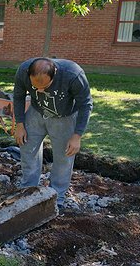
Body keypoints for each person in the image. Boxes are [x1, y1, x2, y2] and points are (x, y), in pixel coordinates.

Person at [13, 57, 93, 208]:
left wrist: (77, 135)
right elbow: (18, 96)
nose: (40, 90)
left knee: (64, 157)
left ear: (54, 73)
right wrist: (20, 124)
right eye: (35, 87)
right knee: (27, 148)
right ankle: (28, 192)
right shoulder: (23, 71)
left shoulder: (73, 74)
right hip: (36, 113)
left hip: (64, 117)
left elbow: (86, 104)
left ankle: (56, 198)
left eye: (45, 86)